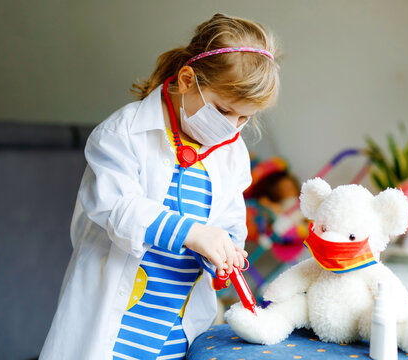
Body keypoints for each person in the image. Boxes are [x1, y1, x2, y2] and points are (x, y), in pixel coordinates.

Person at [40, 13, 280, 360]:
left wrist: (225, 254)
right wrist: (194, 233)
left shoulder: (232, 156)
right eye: (224, 111)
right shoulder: (123, 132)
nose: (232, 128)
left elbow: (228, 225)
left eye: (244, 118)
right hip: (114, 332)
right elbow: (116, 208)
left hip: (174, 335)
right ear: (187, 80)